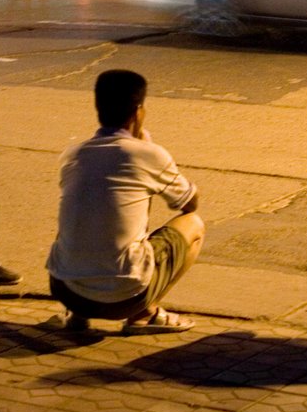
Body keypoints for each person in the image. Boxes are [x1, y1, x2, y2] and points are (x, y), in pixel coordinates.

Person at [46, 69, 205, 334]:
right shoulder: (147, 154)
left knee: (87, 210)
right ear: (138, 111)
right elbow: (189, 204)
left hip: (65, 289)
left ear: (98, 107)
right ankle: (146, 314)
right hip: (125, 299)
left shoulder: (72, 155)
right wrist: (149, 150)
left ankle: (76, 315)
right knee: (194, 225)